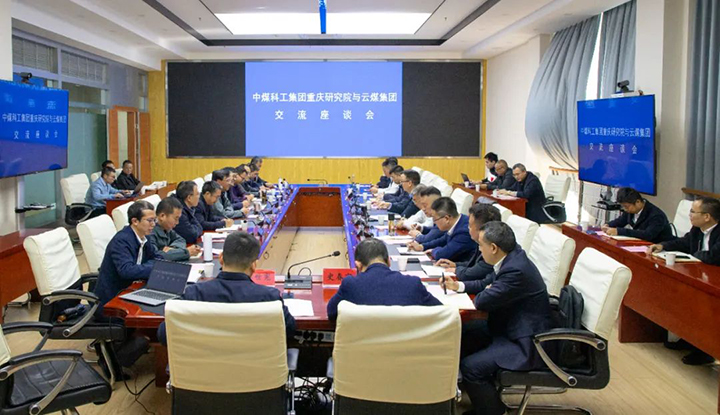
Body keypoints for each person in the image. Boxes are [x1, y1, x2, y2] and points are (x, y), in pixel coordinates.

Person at [441, 221, 552, 415]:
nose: (479, 249)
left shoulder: (515, 269)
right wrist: (458, 286)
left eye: (480, 245)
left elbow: (482, 301)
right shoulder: (511, 257)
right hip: (508, 327)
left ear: (493, 247)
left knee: (471, 367)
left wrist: (487, 290)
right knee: (462, 334)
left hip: (526, 343)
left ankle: (495, 411)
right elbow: (485, 285)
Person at [157, 232, 296, 345]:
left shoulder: (194, 293)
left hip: (203, 369)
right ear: (254, 265)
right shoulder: (269, 297)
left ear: (221, 259)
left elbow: (164, 334)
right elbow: (289, 331)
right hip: (255, 370)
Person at [647, 196, 720, 366]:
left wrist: (694, 255)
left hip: (716, 282)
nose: (689, 215)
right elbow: (685, 242)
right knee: (683, 298)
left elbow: (714, 256)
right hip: (702, 275)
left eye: (693, 212)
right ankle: (690, 340)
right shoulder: (697, 229)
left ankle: (705, 351)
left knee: (704, 306)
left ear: (707, 217)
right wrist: (663, 246)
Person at [326, 238, 441, 319]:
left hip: (365, 347)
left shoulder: (350, 284)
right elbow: (440, 312)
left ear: (358, 265)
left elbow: (331, 313)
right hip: (405, 347)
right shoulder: (413, 284)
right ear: (389, 261)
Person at [94, 200, 161, 310]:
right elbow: (127, 271)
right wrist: (155, 268)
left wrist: (155, 266)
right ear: (135, 221)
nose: (153, 224)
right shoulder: (121, 241)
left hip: (133, 290)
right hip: (112, 300)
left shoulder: (145, 236)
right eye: (150, 220)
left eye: (154, 220)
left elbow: (158, 258)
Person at [436, 203, 501, 284]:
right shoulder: (480, 241)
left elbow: (475, 273)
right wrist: (455, 265)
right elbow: (474, 264)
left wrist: (457, 270)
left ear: (481, 229)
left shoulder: (491, 248)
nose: (467, 228)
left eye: (470, 225)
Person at [408, 197, 477, 262]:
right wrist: (422, 246)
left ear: (446, 219)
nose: (434, 222)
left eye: (435, 219)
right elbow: (442, 240)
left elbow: (443, 254)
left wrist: (433, 251)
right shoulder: (458, 221)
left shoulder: (464, 231)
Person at [601, 187, 674, 243]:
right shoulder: (630, 210)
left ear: (638, 202)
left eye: (626, 206)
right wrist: (608, 225)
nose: (625, 209)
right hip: (641, 244)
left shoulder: (656, 215)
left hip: (659, 248)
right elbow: (621, 221)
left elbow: (648, 235)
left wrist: (619, 231)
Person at [148, 197, 201, 261]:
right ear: (162, 216)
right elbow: (156, 257)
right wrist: (187, 252)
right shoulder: (150, 232)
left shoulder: (167, 229)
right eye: (176, 218)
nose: (177, 222)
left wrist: (173, 249)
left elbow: (181, 240)